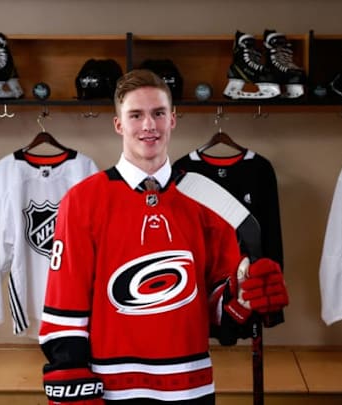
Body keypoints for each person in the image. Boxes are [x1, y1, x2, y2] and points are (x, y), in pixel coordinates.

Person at [38, 69, 289, 404]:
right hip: (112, 384)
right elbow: (65, 301)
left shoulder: (206, 197)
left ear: (173, 119)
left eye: (158, 113)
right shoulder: (83, 200)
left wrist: (244, 296)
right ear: (118, 124)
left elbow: (217, 310)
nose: (148, 126)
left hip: (191, 384)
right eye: (136, 115)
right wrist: (69, 378)